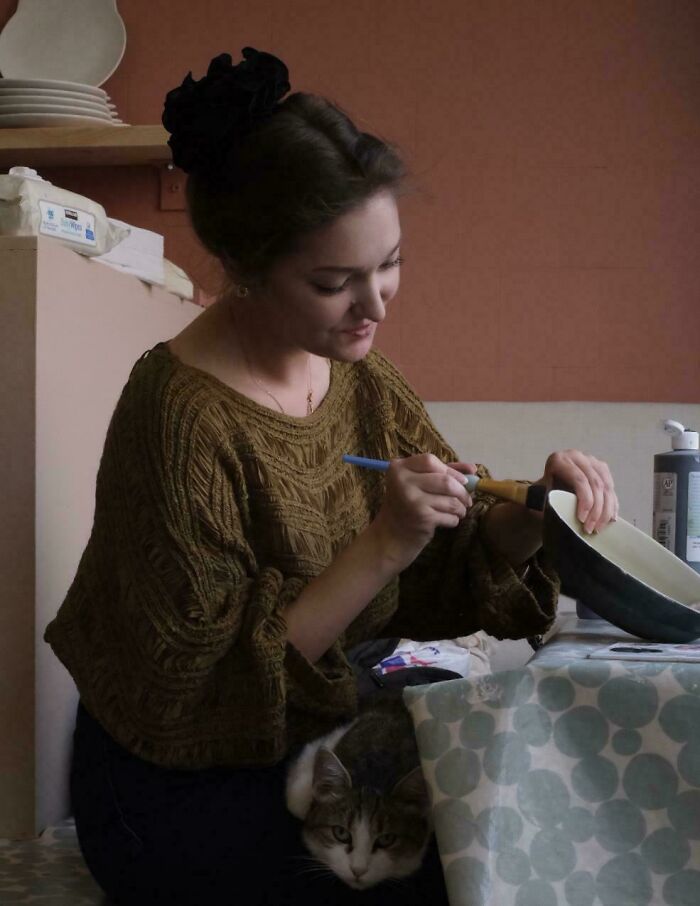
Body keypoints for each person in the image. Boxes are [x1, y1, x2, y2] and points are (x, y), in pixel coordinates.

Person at [44, 48, 618, 906]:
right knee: (446, 874)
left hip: (309, 749)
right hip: (165, 787)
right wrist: (383, 543)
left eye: (389, 262)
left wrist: (527, 515)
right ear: (246, 269)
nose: (377, 303)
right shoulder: (178, 413)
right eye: (333, 282)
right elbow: (201, 695)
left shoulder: (360, 380)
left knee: (514, 823)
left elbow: (442, 560)